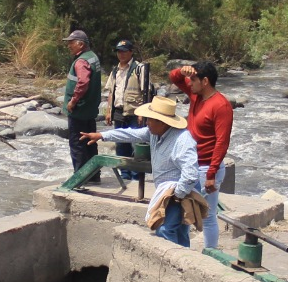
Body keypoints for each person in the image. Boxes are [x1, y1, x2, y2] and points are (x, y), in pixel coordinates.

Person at [81, 96, 202, 246]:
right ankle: (184, 262)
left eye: (150, 119)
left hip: (181, 190)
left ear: (163, 122)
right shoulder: (153, 133)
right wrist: (102, 135)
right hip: (169, 190)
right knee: (178, 230)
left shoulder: (182, 140)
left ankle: (173, 264)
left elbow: (191, 174)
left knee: (165, 229)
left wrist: (177, 195)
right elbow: (130, 134)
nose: (147, 123)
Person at [182, 61, 234, 249]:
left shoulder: (221, 106)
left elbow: (222, 142)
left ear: (205, 81)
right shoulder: (196, 96)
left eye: (193, 79)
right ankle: (183, 250)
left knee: (208, 215)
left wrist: (211, 174)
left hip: (206, 168)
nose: (190, 83)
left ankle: (210, 254)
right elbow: (174, 77)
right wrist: (182, 71)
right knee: (186, 211)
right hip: (190, 164)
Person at [61, 29, 103, 184]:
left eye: (71, 43)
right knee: (90, 143)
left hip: (79, 110)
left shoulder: (81, 61)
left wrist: (72, 101)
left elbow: (83, 82)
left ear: (80, 44)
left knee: (78, 144)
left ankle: (78, 179)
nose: (69, 46)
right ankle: (94, 176)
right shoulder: (93, 57)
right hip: (90, 111)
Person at [105, 39, 150, 183]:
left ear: (131, 52)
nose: (121, 54)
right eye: (119, 51)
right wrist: (108, 111)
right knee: (120, 143)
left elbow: (146, 92)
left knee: (136, 144)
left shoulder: (139, 69)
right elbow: (112, 92)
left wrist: (143, 113)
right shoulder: (115, 70)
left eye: (124, 51)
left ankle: (137, 176)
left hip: (135, 112)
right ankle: (125, 174)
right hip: (118, 111)